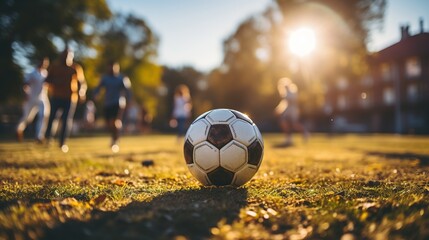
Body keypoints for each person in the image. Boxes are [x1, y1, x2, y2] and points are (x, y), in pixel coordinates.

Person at [44, 48, 87, 152]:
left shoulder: (75, 68)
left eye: (69, 55)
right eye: (65, 55)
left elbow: (82, 83)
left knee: (66, 120)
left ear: (71, 57)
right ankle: (48, 138)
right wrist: (56, 81)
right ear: (61, 56)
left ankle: (62, 143)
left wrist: (81, 92)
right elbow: (47, 80)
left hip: (70, 98)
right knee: (52, 118)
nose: (66, 57)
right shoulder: (55, 67)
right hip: (56, 96)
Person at [93, 61, 132, 152]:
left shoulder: (121, 78)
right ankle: (114, 138)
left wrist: (129, 101)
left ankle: (115, 141)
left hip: (118, 103)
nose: (112, 69)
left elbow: (128, 91)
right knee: (109, 124)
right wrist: (96, 94)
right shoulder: (105, 78)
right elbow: (98, 87)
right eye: (110, 67)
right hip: (108, 103)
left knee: (115, 122)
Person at [16, 57, 50, 143]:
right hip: (31, 98)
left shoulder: (45, 74)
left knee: (44, 115)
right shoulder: (31, 73)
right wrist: (26, 93)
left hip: (42, 98)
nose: (43, 64)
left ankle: (39, 136)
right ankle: (19, 129)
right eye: (42, 62)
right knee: (27, 118)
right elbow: (25, 85)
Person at [275, 77, 309, 146]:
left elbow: (291, 101)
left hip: (293, 110)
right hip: (288, 110)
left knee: (294, 124)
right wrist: (278, 109)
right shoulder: (285, 93)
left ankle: (305, 132)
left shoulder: (292, 91)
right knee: (284, 123)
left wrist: (281, 109)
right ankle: (288, 138)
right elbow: (284, 103)